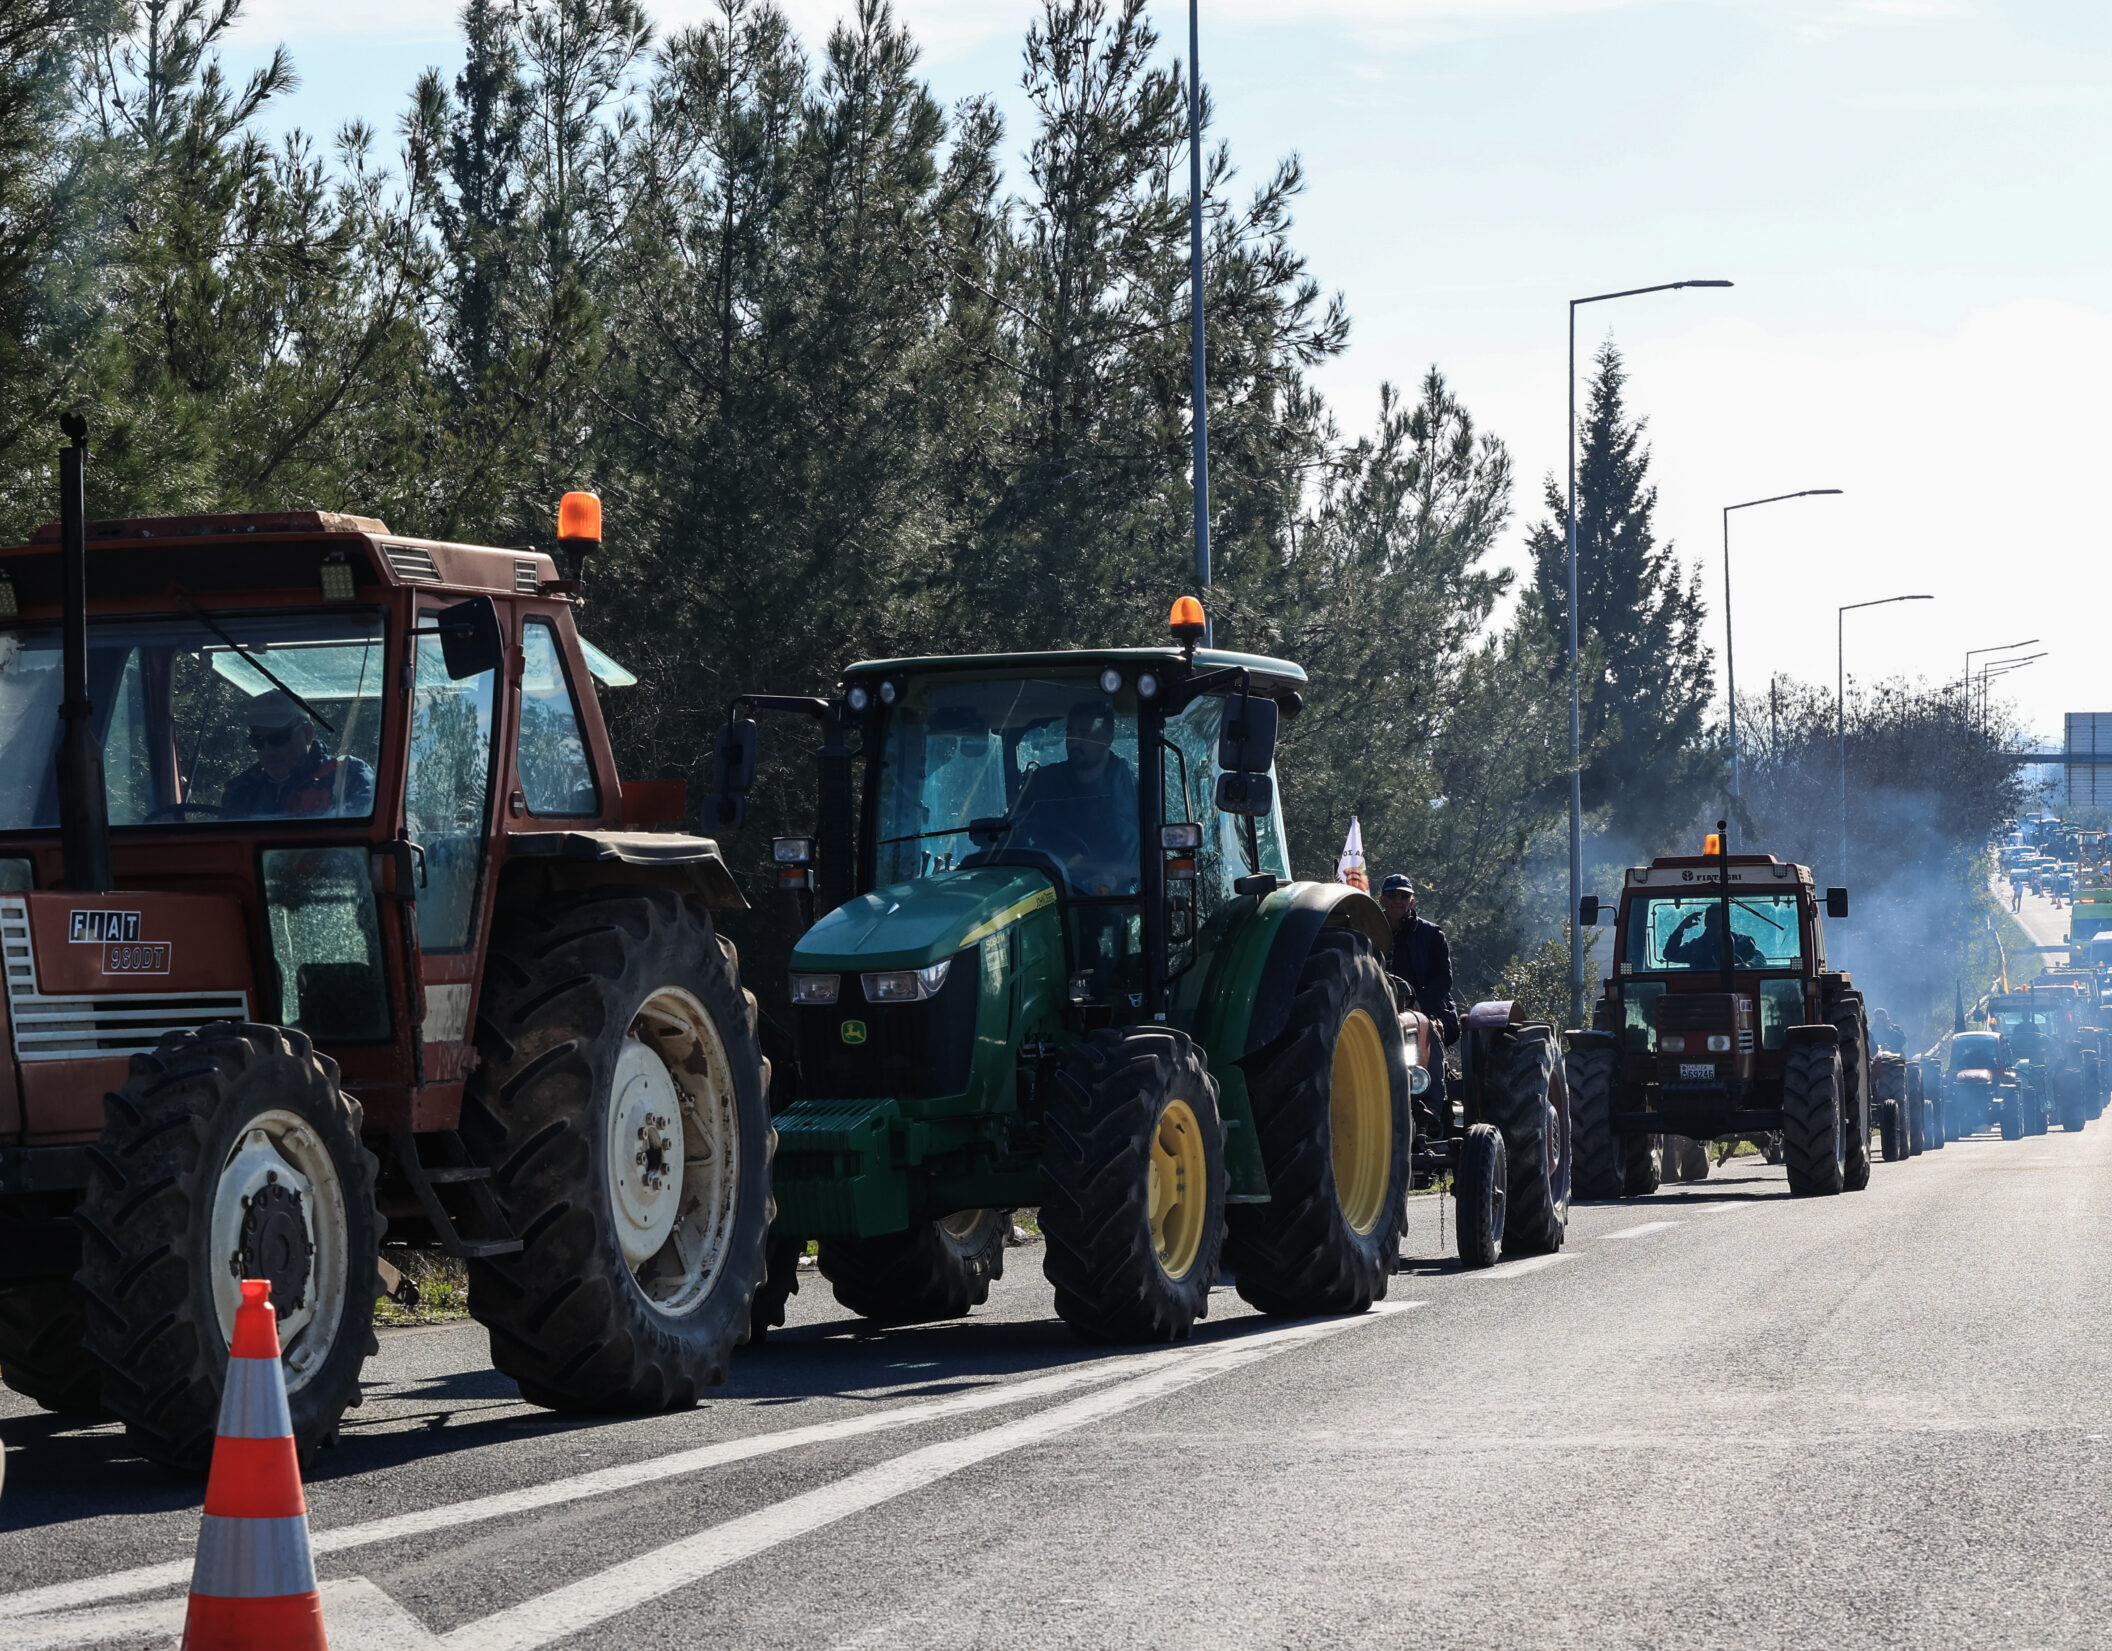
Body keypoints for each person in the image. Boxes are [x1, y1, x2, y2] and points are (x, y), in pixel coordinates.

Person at [1010, 699, 1138, 894]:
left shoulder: (1129, 791)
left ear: (1107, 739)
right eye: (1071, 732)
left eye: (1085, 733)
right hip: (1047, 887)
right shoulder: (1042, 783)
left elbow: (1141, 852)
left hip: (1114, 899)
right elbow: (1009, 832)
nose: (1074, 741)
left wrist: (1113, 876)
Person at [221, 691, 373, 819]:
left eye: (278, 738)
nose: (267, 750)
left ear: (308, 734)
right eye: (257, 741)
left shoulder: (347, 775)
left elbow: (358, 839)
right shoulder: (240, 790)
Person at [1661, 904, 1764, 972]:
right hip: (1702, 994)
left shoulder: (1743, 942)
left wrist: (1747, 966)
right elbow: (1670, 954)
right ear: (1706, 922)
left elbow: (1760, 959)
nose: (1716, 923)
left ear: (1727, 920)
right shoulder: (1695, 946)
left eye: (1719, 919)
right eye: (1712, 919)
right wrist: (1681, 928)